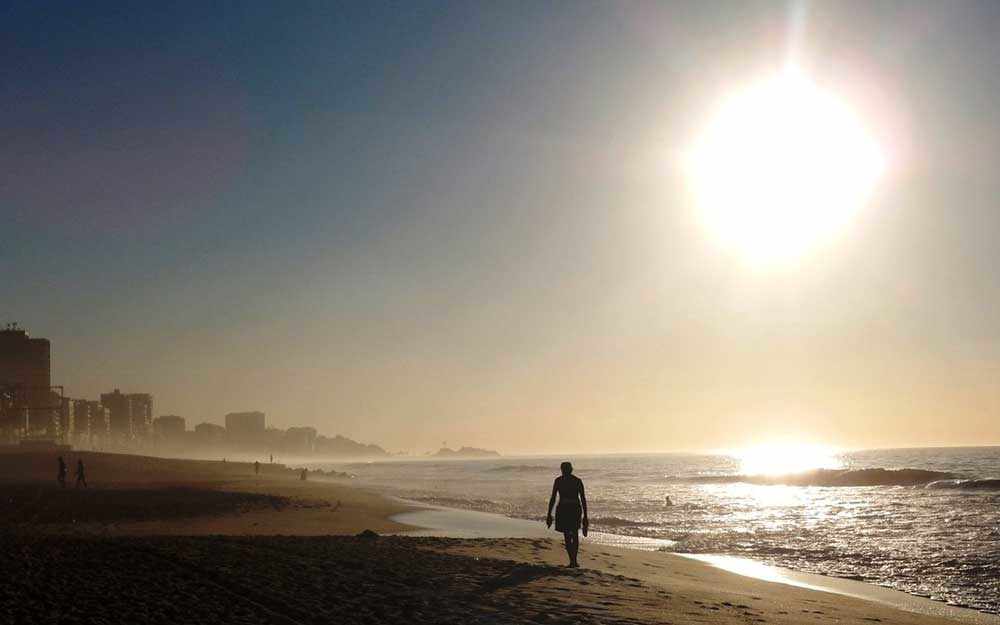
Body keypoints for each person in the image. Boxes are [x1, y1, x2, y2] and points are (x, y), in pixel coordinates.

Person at [546, 461, 588, 568]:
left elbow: (553, 498)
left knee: (568, 535)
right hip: (574, 509)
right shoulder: (577, 481)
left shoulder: (559, 481)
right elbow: (583, 499)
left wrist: (549, 513)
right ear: (571, 469)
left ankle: (572, 560)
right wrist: (585, 516)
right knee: (574, 534)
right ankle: (573, 560)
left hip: (564, 509)